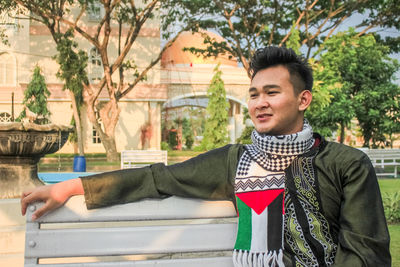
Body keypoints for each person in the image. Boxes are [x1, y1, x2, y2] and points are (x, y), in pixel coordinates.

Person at [21, 46, 391, 266]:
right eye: (254, 94)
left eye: (272, 92)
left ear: (303, 99)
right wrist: (71, 185)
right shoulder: (235, 161)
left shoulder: (346, 165)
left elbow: (366, 254)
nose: (259, 103)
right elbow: (158, 178)